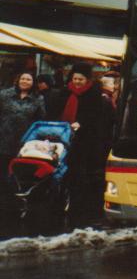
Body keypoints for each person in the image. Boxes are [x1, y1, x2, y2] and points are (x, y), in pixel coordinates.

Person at [47, 62, 114, 219]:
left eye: (81, 79)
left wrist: (81, 123)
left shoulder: (94, 95)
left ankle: (77, 205)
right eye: (75, 78)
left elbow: (96, 117)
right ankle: (58, 200)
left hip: (84, 140)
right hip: (62, 136)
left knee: (78, 173)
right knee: (59, 170)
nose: (77, 82)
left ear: (87, 80)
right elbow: (56, 111)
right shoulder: (64, 92)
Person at [0, 71, 46, 213]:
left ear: (33, 83)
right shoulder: (4, 95)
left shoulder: (38, 98)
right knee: (2, 170)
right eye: (23, 78)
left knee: (17, 172)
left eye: (29, 79)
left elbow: (41, 119)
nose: (25, 81)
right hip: (4, 137)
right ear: (18, 79)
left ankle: (14, 202)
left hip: (24, 141)